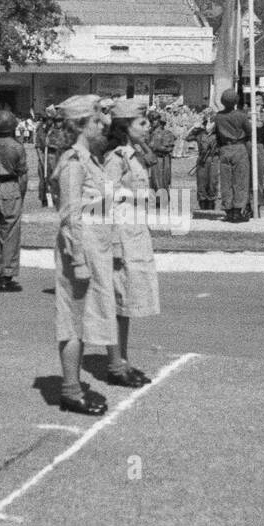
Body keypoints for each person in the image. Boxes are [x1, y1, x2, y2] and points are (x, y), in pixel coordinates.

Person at [52, 95, 116, 416]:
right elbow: (70, 216)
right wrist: (78, 260)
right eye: (95, 120)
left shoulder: (90, 159)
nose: (102, 124)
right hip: (78, 252)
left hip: (93, 250)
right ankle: (70, 390)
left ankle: (73, 386)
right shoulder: (74, 163)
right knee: (73, 322)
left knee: (85, 319)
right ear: (79, 124)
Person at [103, 97, 159, 387]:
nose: (148, 126)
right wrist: (112, 244)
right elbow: (101, 203)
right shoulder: (115, 159)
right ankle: (115, 365)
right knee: (116, 302)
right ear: (125, 126)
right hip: (121, 238)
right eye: (142, 122)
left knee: (126, 304)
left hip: (135, 234)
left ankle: (122, 359)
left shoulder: (134, 154)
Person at [0, 108, 27, 293]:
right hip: (10, 186)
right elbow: (23, 174)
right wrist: (21, 195)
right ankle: (7, 274)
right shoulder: (17, 147)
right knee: (10, 232)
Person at [214, 88, 251, 222]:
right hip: (238, 147)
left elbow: (217, 133)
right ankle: (237, 210)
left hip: (224, 148)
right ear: (236, 101)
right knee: (240, 180)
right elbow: (249, 131)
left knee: (226, 181)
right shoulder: (241, 115)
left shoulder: (218, 116)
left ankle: (228, 209)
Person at [188, 112, 219, 210]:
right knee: (201, 182)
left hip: (214, 159)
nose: (209, 125)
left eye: (212, 122)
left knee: (212, 182)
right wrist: (194, 127)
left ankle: (211, 203)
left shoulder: (218, 134)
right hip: (202, 160)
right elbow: (187, 137)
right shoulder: (200, 134)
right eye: (207, 122)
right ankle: (202, 203)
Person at [148, 110, 175, 196]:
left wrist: (155, 147)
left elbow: (169, 148)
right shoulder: (150, 133)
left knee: (162, 182)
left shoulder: (166, 133)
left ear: (159, 121)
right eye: (151, 120)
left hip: (162, 160)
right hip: (152, 160)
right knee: (153, 182)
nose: (152, 122)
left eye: (154, 120)